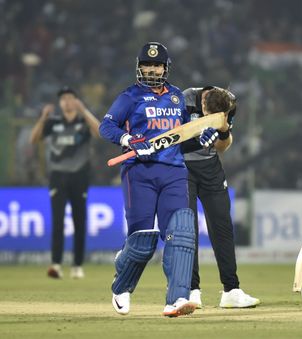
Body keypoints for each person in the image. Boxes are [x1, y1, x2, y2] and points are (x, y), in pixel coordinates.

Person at [99, 42, 197, 317]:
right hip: (139, 172)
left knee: (181, 232)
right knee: (142, 241)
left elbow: (187, 133)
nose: (152, 69)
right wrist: (128, 138)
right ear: (139, 67)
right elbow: (105, 126)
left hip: (174, 172)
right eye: (147, 65)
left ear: (165, 68)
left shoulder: (177, 97)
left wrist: (205, 136)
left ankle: (177, 299)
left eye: (157, 65)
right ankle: (121, 286)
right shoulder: (129, 97)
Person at [181, 86, 260, 308]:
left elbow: (223, 147)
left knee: (223, 227)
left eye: (219, 117)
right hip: (183, 167)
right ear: (202, 105)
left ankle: (231, 290)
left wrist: (223, 130)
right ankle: (191, 290)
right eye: (208, 116)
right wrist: (197, 137)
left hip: (211, 169)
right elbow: (174, 140)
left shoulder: (229, 103)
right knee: (188, 229)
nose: (211, 120)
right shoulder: (185, 99)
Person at [30, 86, 100, 279]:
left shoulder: (83, 122)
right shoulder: (53, 122)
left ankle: (77, 266)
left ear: (76, 101)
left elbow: (99, 132)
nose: (67, 102)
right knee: (58, 222)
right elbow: (34, 139)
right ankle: (56, 264)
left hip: (80, 177)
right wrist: (43, 117)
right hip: (57, 177)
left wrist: (84, 111)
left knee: (79, 222)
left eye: (70, 98)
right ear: (60, 103)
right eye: (63, 99)